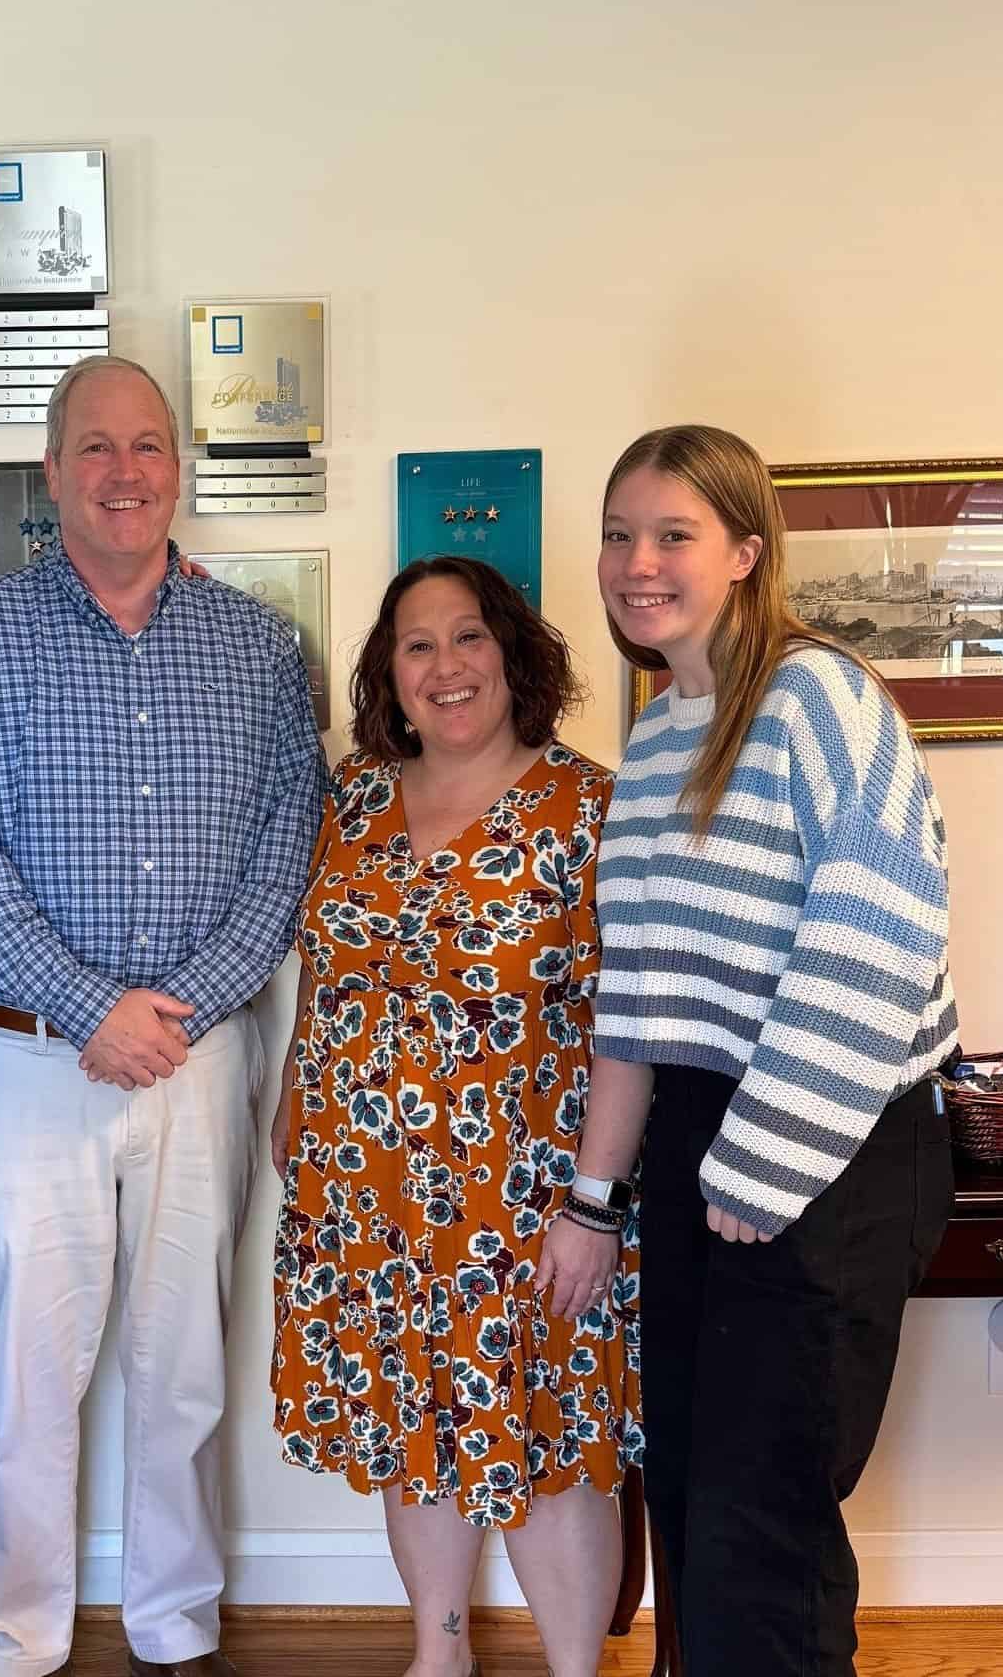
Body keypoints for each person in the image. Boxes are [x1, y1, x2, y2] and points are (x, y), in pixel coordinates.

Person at [0, 354, 326, 1677]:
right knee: (28, 1379)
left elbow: (285, 848)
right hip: (21, 1058)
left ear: (178, 466)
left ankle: (172, 1618)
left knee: (179, 1368)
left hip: (201, 1060)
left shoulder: (260, 647)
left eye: (147, 445)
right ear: (51, 470)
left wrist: (183, 1008)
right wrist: (93, 1007)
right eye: (96, 446)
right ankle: (19, 1634)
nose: (125, 470)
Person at [594, 425, 958, 1677]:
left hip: (828, 1144)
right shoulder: (652, 740)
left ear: (747, 552)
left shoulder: (818, 697)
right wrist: (602, 1194)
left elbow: (881, 928)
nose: (637, 562)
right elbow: (635, 995)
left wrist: (759, 1167)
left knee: (767, 1528)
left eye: (673, 534)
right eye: (618, 533)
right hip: (702, 1141)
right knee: (696, 1494)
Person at [270, 556, 644, 1677]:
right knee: (409, 1423)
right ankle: (439, 1653)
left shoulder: (590, 807)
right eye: (416, 643)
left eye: (467, 636)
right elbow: (324, 969)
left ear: (512, 652)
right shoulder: (355, 795)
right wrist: (297, 1086)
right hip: (366, 1184)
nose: (444, 665)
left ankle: (574, 1668)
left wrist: (594, 1203)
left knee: (545, 1435)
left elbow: (627, 1024)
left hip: (523, 1195)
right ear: (389, 670)